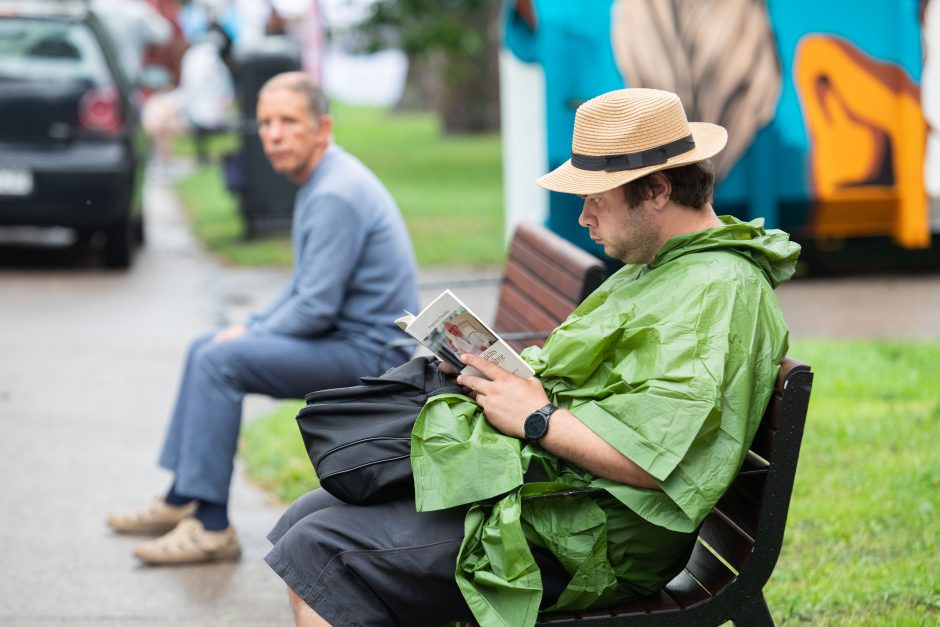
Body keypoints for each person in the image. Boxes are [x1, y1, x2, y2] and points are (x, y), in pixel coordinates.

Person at [264, 88, 801, 627]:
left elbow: (660, 462)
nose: (584, 216)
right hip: (563, 501)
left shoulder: (717, 290)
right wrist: (499, 369)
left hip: (594, 538)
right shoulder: (667, 265)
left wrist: (537, 418)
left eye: (598, 199)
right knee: (309, 517)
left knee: (321, 550)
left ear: (657, 189)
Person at [106, 72, 420, 565]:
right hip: (344, 338)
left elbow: (315, 307)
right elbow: (303, 287)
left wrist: (250, 335)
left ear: (322, 128)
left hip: (372, 355)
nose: (273, 134)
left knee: (219, 361)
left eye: (289, 121)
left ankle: (210, 526)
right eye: (266, 122)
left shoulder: (335, 192)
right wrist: (252, 326)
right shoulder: (323, 178)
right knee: (206, 347)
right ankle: (182, 497)